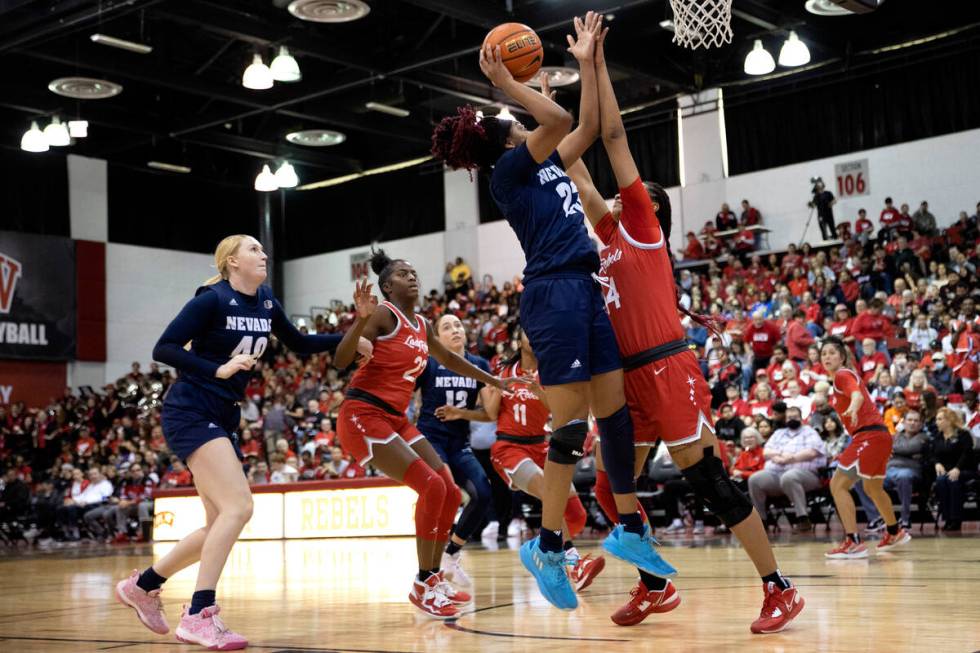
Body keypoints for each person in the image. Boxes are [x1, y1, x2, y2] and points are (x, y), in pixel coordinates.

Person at [563, 20, 804, 634]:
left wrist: (598, 65)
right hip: (628, 382)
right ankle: (653, 586)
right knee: (613, 487)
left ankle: (778, 588)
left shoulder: (642, 229)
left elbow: (611, 138)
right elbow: (580, 168)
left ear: (651, 207)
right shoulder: (609, 237)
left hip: (668, 368)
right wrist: (569, 93)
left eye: (633, 193)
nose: (617, 196)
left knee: (709, 483)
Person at [431, 12, 666, 611]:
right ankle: (547, 544)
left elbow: (584, 124)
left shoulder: (545, 161)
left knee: (613, 416)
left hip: (584, 288)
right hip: (553, 293)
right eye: (510, 118)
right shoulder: (510, 172)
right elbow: (560, 119)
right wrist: (510, 87)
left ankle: (631, 529)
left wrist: (589, 61)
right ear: (500, 137)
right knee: (566, 425)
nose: (518, 118)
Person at [115, 234, 368, 649]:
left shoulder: (266, 301)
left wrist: (350, 339)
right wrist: (217, 369)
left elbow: (300, 343)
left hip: (223, 414)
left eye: (262, 250)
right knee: (240, 506)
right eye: (253, 249)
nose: (263, 254)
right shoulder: (210, 299)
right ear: (231, 261)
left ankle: (143, 585)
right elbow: (164, 347)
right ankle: (199, 613)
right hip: (192, 409)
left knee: (219, 523)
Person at [333, 249, 519, 619]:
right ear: (387, 286)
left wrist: (494, 379)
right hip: (362, 414)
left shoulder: (420, 324)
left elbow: (450, 360)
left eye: (414, 271)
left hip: (396, 418)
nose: (412, 276)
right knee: (432, 487)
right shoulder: (384, 315)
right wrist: (360, 322)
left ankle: (433, 578)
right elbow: (340, 361)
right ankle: (423, 581)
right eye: (403, 273)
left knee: (450, 489)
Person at [442, 330, 607, 593]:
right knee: (547, 489)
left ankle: (539, 549)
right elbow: (491, 414)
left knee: (576, 516)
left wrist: (537, 390)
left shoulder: (550, 373)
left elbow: (557, 409)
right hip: (509, 447)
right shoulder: (505, 372)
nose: (537, 337)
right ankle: (574, 562)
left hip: (541, 446)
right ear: (521, 342)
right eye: (530, 333)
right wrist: (466, 408)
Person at [414, 313, 496, 587]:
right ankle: (429, 570)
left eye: (458, 325)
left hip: (459, 443)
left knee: (483, 494)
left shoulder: (479, 365)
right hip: (430, 439)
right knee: (445, 492)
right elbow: (406, 392)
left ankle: (451, 554)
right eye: (447, 327)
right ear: (437, 338)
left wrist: (460, 413)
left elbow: (490, 414)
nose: (455, 330)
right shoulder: (428, 364)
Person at [820, 337, 911, 559]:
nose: (827, 357)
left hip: (868, 435)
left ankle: (853, 541)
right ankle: (894, 531)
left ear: (842, 356)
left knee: (838, 485)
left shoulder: (843, 375)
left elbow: (857, 395)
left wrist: (852, 407)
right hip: (879, 436)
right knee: (872, 488)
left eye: (832, 352)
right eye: (823, 354)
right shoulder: (842, 378)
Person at [747, 406, 827, 533]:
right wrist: (779, 456)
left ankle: (803, 518)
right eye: (789, 417)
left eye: (795, 417)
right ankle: (762, 520)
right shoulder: (779, 433)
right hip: (777, 473)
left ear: (801, 418)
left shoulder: (809, 431)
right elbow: (766, 452)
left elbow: (812, 452)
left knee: (789, 476)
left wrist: (792, 458)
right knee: (755, 479)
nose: (792, 419)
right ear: (785, 419)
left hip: (806, 475)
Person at [854, 410, 928, 531]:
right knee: (860, 479)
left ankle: (905, 519)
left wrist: (893, 448)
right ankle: (876, 518)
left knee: (904, 476)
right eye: (909, 420)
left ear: (921, 424)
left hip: (910, 470)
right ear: (903, 422)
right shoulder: (896, 436)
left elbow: (910, 448)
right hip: (888, 471)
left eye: (916, 421)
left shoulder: (923, 437)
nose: (912, 423)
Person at [931, 407, 976, 531]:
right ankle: (947, 518)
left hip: (965, 469)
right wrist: (937, 463)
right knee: (941, 481)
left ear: (949, 420)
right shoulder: (938, 436)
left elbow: (967, 453)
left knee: (953, 480)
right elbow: (933, 454)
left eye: (940, 419)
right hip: (946, 470)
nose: (937, 422)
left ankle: (956, 519)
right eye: (936, 419)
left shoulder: (963, 434)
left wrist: (957, 468)